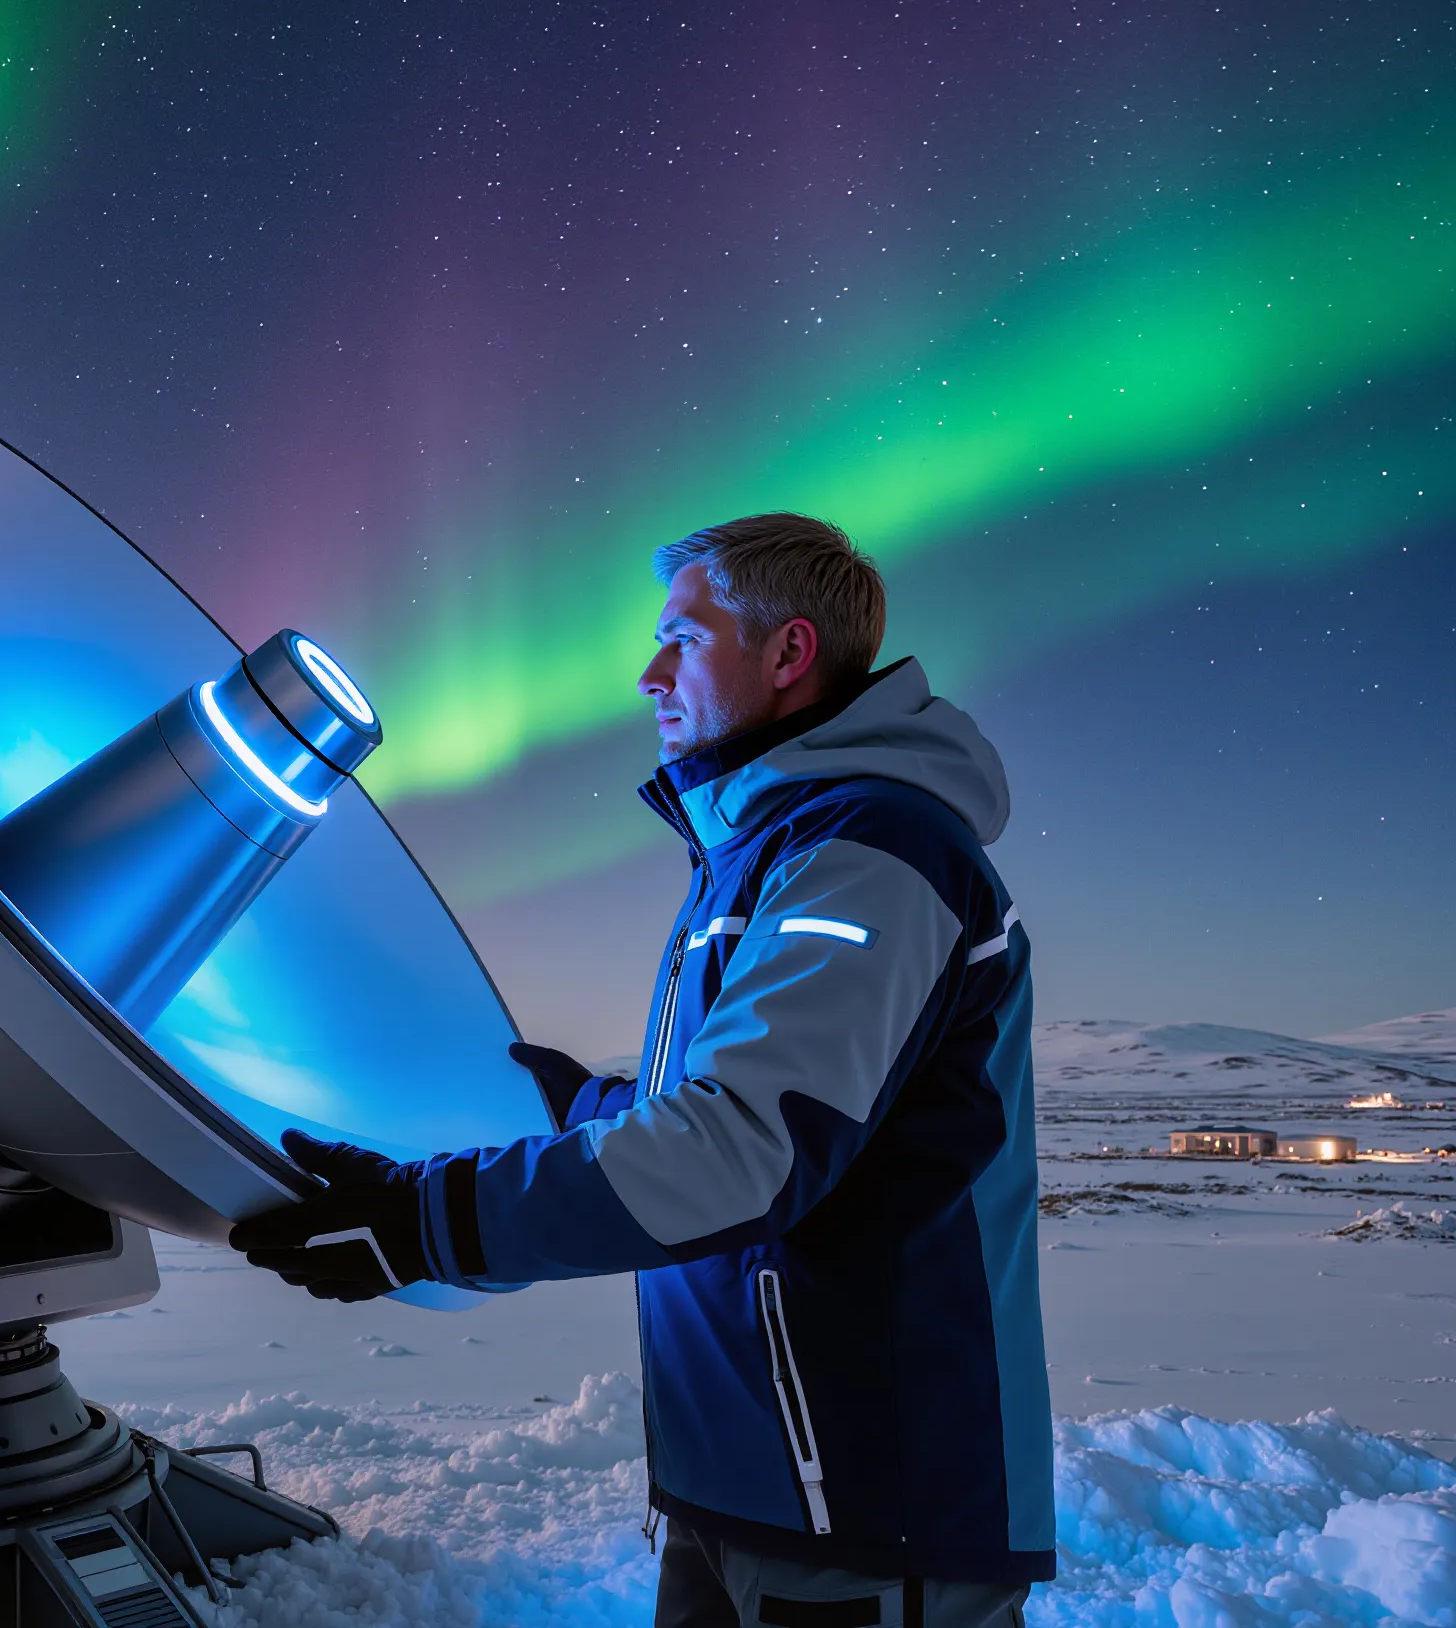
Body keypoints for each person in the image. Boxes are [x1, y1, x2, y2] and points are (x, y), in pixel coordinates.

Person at [231, 512, 1053, 1628]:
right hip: (748, 1480)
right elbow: (750, 1108)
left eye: (683, 637)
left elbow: (740, 1153)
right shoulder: (765, 849)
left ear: (788, 653)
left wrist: (430, 1221)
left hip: (866, 1506)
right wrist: (592, 1104)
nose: (646, 672)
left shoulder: (871, 852)